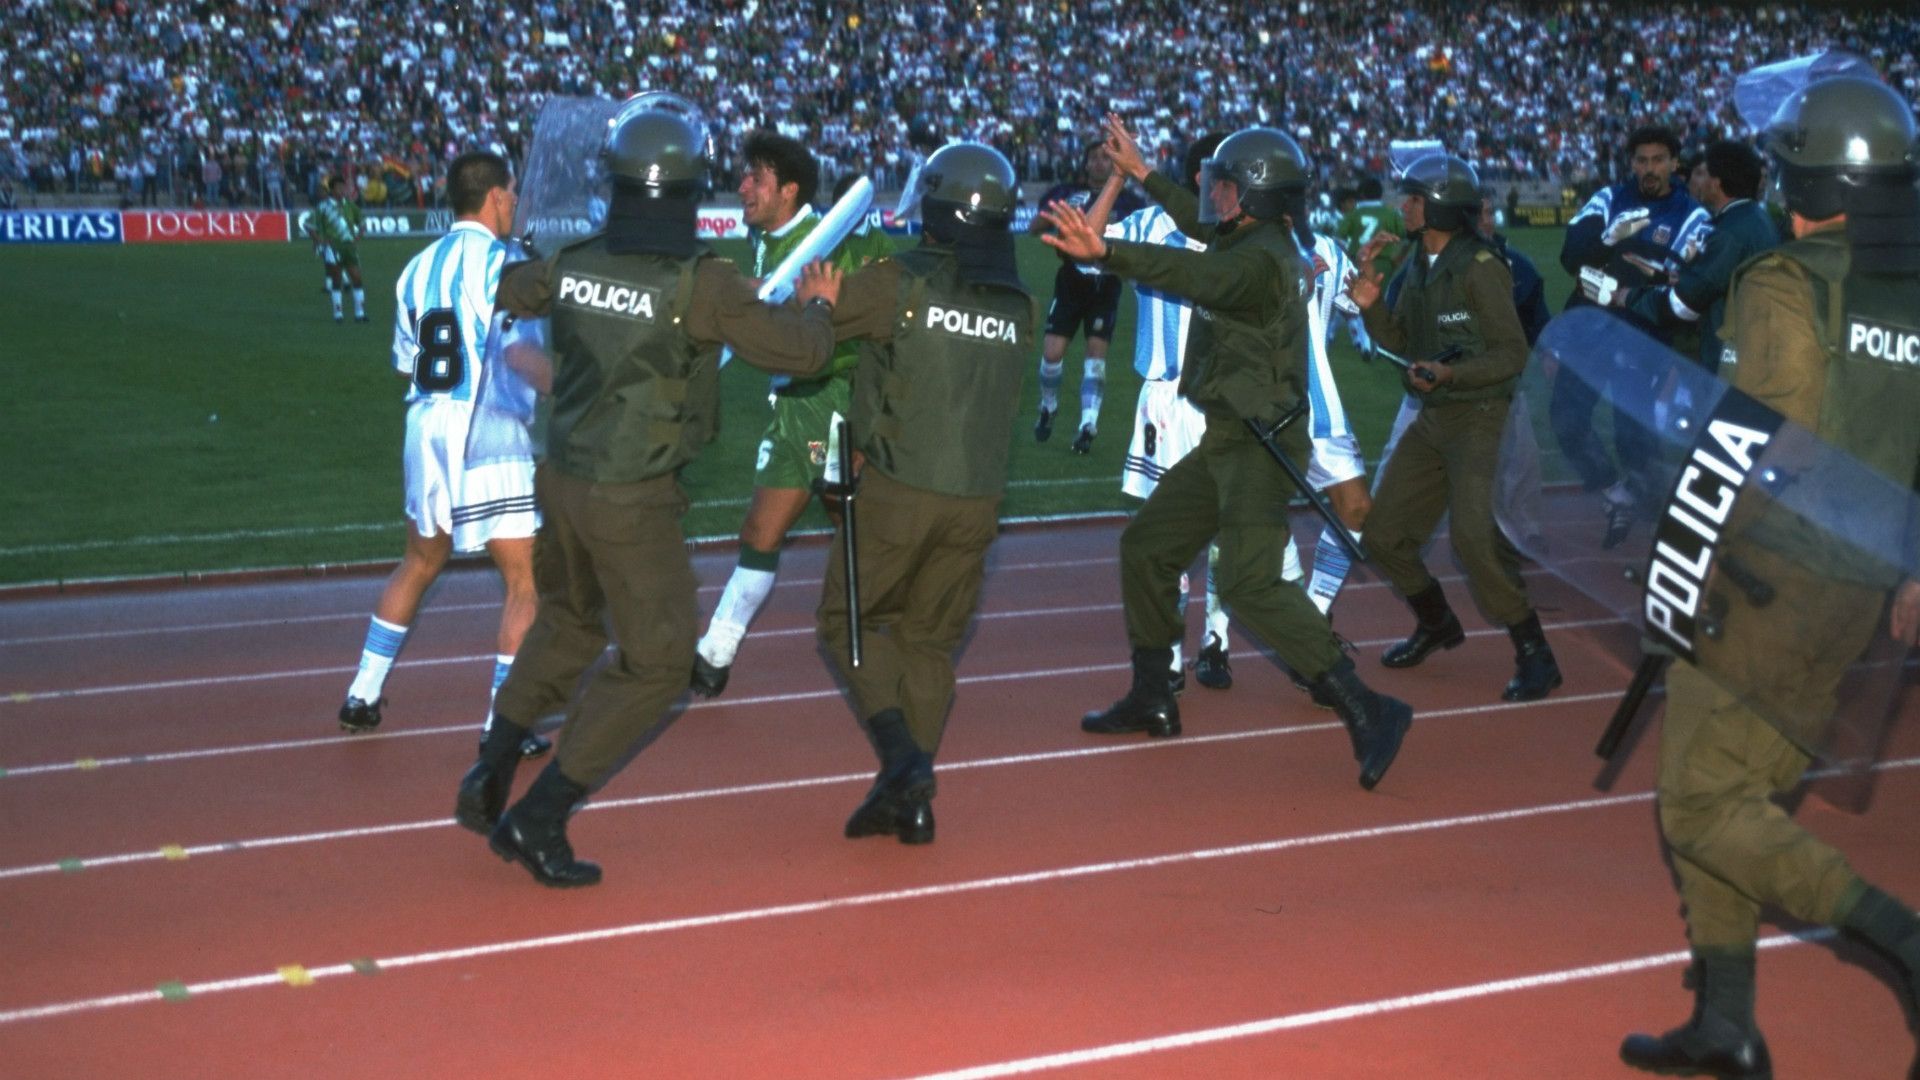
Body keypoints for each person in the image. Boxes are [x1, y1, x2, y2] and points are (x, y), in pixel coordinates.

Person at [452, 101, 843, 887]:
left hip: (562, 478)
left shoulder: (575, 259)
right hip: (631, 493)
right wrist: (819, 305)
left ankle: (489, 770)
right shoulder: (702, 281)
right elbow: (801, 355)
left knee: (567, 622)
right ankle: (541, 815)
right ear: (690, 188)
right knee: (661, 663)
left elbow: (514, 289)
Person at [1620, 77, 1920, 1079]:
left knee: (1702, 807)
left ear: (1808, 181)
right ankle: (1727, 1023)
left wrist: (1684, 558)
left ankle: (1905, 946)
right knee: (1727, 788)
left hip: (1763, 581)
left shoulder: (1785, 281)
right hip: (1861, 586)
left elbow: (1752, 447)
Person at [1044, 126, 1413, 793]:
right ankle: (1154, 694)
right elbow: (1197, 231)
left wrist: (1108, 252)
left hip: (1259, 446)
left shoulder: (1258, 261)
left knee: (1248, 584)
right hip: (1230, 436)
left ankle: (1366, 705)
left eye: (1225, 186)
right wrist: (1144, 173)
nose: (1212, 195)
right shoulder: (1250, 237)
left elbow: (1196, 274)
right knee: (1148, 548)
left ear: (1257, 197)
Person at [811, 141, 1035, 844]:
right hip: (979, 500)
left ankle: (903, 760)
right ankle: (907, 799)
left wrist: (817, 298)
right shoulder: (1019, 303)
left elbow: (810, 330)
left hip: (900, 487)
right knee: (929, 644)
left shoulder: (898, 281)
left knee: (844, 620)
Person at [336, 151, 549, 760]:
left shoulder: (414, 268)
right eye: (511, 193)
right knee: (524, 581)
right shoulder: (508, 265)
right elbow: (522, 358)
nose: (516, 202)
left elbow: (407, 363)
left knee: (419, 561)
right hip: (488, 426)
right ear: (496, 197)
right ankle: (502, 726)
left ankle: (362, 693)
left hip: (426, 424)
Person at [1349, 154, 1560, 703]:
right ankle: (1436, 621)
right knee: (1382, 535)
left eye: (1414, 199)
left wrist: (1450, 373)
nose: (1404, 207)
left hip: (1480, 417)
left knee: (1472, 538)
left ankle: (1535, 652)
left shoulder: (1481, 267)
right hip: (1435, 417)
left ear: (1441, 206)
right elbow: (1402, 342)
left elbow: (1512, 354)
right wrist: (1371, 306)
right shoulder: (1419, 263)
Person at [690, 138, 894, 698]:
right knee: (819, 524)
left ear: (789, 190)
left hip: (828, 400)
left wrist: (860, 421)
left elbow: (873, 323)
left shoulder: (832, 245)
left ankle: (715, 652)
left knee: (780, 526)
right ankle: (718, 651)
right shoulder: (764, 239)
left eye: (755, 178)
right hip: (791, 400)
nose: (742, 188)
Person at [1088, 129, 1234, 692]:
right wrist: (1118, 177)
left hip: (1225, 400)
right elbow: (1087, 243)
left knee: (1225, 530)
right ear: (1205, 177)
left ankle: (1217, 641)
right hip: (1166, 399)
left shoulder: (1238, 235)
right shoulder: (1151, 225)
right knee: (1162, 532)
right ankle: (1170, 656)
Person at [1552, 126, 1710, 545]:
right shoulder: (1607, 199)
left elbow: (1681, 286)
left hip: (1644, 339)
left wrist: (1620, 273)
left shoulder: (1692, 216)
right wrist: (1609, 241)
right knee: (1565, 419)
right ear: (1631, 163)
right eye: (1642, 160)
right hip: (1588, 332)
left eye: (1658, 160)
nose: (1649, 169)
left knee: (1633, 432)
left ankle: (1656, 514)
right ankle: (1614, 492)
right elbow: (1571, 257)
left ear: (1674, 163)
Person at [1620, 140, 1781, 371]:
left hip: (1734, 362)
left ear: (1716, 183)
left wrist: (1628, 298)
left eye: (1704, 174)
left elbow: (1685, 303)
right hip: (1754, 351)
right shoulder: (1753, 218)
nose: (1698, 182)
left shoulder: (1731, 232)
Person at [1028, 140, 1143, 453]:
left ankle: (1088, 426)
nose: (1099, 163)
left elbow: (1140, 240)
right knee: (1052, 354)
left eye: (1105, 158)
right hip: (1071, 279)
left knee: (1096, 358)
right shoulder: (1066, 192)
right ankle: (1048, 406)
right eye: (1094, 157)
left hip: (1106, 283)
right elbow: (1034, 227)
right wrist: (1059, 212)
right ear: (1085, 163)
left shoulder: (1129, 201)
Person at [306, 176, 369, 323]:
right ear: (332, 190)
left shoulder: (350, 205)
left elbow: (362, 223)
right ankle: (338, 314)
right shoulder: (323, 207)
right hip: (333, 247)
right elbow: (309, 226)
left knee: (357, 278)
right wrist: (319, 241)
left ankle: (360, 313)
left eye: (343, 187)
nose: (342, 190)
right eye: (339, 187)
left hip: (349, 247)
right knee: (337, 279)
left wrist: (357, 238)